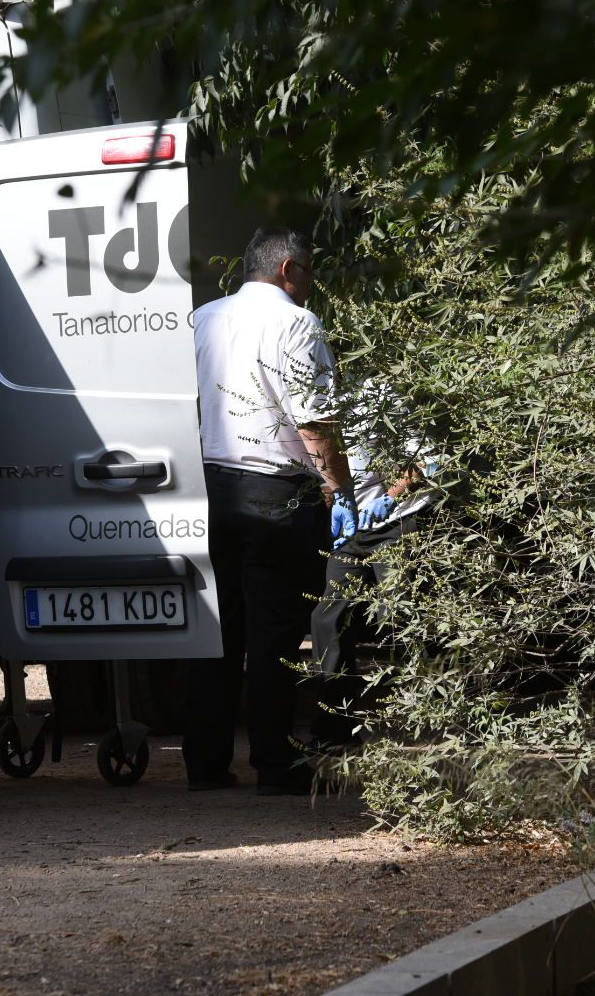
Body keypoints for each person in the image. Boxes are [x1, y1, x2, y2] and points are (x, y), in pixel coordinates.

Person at [186, 227, 351, 795]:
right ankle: (274, 766)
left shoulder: (205, 317)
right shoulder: (296, 323)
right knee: (275, 636)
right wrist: (340, 490)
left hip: (212, 485)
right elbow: (313, 420)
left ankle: (204, 764)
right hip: (276, 491)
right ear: (288, 270)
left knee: (219, 632)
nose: (311, 285)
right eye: (309, 272)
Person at [310, 385, 440, 753]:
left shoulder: (382, 395)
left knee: (401, 615)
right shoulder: (314, 407)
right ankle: (334, 727)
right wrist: (334, 499)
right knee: (328, 618)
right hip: (354, 524)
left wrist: (390, 498)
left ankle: (431, 715)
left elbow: (427, 462)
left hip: (398, 519)